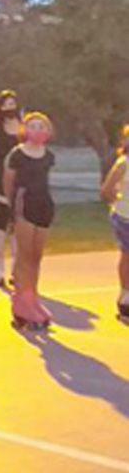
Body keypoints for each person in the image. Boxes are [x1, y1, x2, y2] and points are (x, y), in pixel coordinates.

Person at [5, 111, 56, 330]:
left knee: (36, 257)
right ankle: (21, 303)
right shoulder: (17, 154)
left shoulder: (48, 155)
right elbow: (8, 182)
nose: (38, 129)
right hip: (24, 204)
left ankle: (33, 299)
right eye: (33, 126)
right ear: (25, 129)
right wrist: (12, 209)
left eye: (42, 126)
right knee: (24, 257)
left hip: (44, 204)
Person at [0, 90, 24, 288]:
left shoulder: (24, 128)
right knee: (0, 222)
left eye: (13, 104)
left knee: (18, 224)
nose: (10, 108)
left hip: (21, 180)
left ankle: (16, 268)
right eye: (6, 104)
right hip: (0, 178)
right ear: (0, 107)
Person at [97, 125, 129, 324]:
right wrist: (117, 202)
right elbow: (106, 190)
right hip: (125, 216)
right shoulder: (123, 163)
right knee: (127, 254)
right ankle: (125, 295)